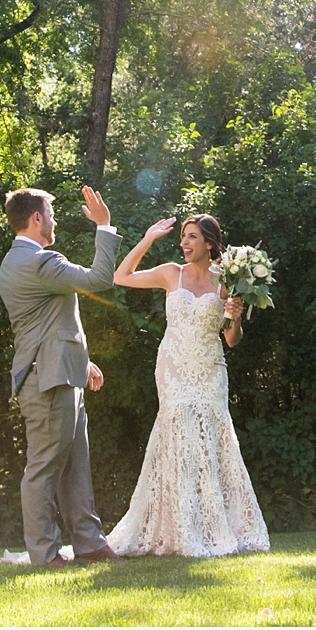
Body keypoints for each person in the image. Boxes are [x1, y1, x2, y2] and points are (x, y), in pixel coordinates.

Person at [105, 213, 270, 557]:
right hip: (173, 369)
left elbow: (231, 340)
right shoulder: (170, 274)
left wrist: (236, 317)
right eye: (183, 236)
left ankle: (213, 528)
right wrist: (149, 237)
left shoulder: (225, 281)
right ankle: (179, 529)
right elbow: (121, 276)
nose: (184, 242)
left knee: (211, 442)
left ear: (209, 243)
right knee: (179, 436)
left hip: (210, 370)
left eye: (192, 236)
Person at [0, 185, 124, 567]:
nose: (54, 223)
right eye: (50, 216)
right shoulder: (39, 262)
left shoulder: (14, 261)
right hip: (48, 380)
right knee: (44, 469)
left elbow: (46, 323)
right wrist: (104, 227)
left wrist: (82, 362)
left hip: (59, 372)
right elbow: (100, 279)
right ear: (36, 218)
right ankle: (45, 553)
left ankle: (89, 543)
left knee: (75, 467)